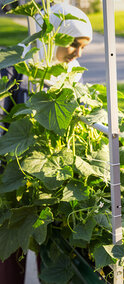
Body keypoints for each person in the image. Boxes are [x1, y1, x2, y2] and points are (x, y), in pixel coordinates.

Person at [0, 3, 92, 283]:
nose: (78, 53)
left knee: (45, 248)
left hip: (48, 179)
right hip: (11, 174)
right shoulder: (16, 69)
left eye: (84, 47)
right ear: (54, 35)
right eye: (74, 44)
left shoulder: (71, 72)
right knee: (8, 252)